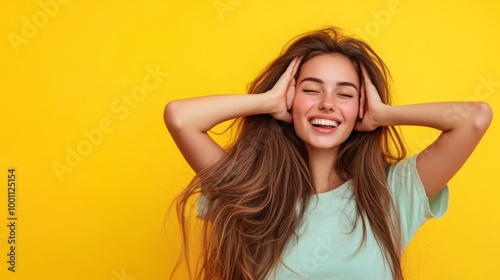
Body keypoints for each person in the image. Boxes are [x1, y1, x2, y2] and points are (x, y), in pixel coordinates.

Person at [164, 27, 493, 280]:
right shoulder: (250, 189)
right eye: (310, 89)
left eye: (345, 94)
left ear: (360, 107)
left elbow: (475, 118)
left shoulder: (393, 190)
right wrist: (268, 103)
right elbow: (180, 118)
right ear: (290, 98)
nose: (327, 104)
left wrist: (383, 114)